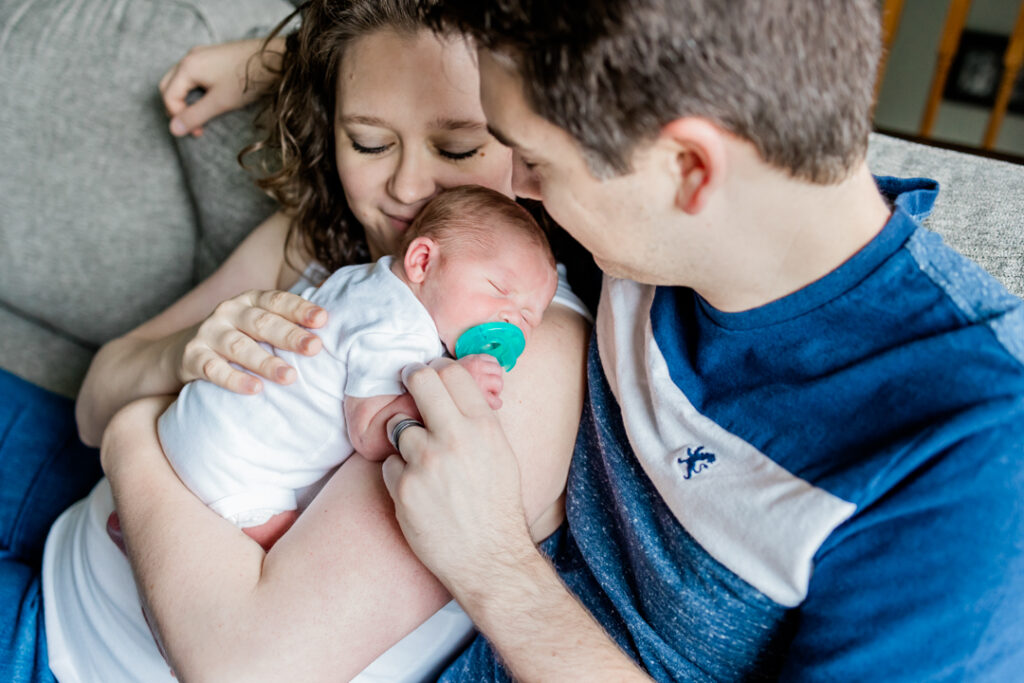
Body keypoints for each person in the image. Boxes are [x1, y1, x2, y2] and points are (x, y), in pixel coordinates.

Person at [368, 0, 1024, 680]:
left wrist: (493, 565)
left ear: (689, 169)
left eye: (535, 162)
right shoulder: (645, 234)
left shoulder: (979, 445)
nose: (516, 188)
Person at [2, 1, 591, 681]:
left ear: (533, 137)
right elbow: (91, 402)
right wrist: (182, 352)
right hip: (64, 526)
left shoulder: (520, 351)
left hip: (71, 657)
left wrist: (136, 431)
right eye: (368, 142)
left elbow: (249, 668)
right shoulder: (319, 245)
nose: (405, 187)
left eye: (457, 149)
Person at [158, 185, 558, 551]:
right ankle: (166, 554)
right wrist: (455, 385)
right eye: (499, 291)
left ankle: (141, 526)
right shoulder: (400, 326)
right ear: (422, 261)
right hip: (239, 467)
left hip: (195, 415)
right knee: (287, 552)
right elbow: (369, 434)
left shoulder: (369, 280)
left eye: (528, 317)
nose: (511, 322)